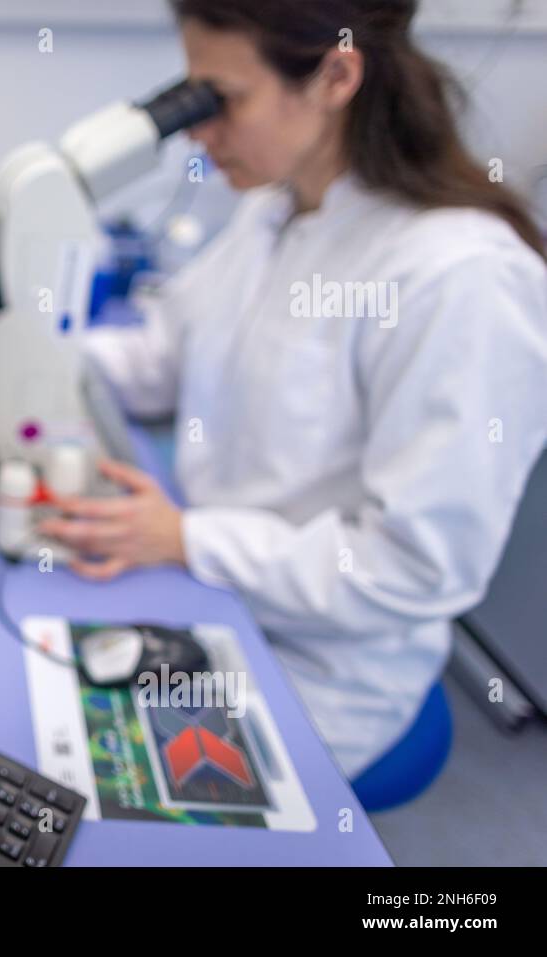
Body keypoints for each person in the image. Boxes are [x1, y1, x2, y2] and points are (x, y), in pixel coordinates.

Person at [38, 0, 547, 780]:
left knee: (68, 784)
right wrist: (12, 356)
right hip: (208, 591)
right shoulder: (274, 210)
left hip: (317, 667)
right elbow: (160, 359)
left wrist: (184, 539)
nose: (200, 132)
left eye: (222, 99)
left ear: (337, 73)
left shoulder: (463, 276)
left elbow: (413, 568)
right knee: (20, 691)